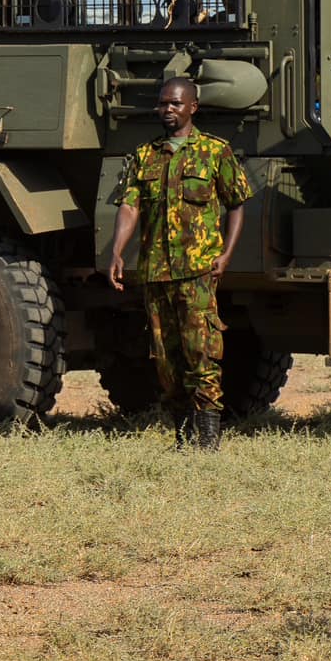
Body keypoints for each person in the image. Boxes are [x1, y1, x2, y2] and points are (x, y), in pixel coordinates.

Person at [105, 77, 252, 448]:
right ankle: (183, 437)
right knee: (166, 361)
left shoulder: (215, 152)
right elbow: (129, 205)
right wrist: (118, 251)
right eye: (162, 104)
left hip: (197, 272)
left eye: (174, 104)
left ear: (192, 107)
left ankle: (208, 440)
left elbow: (237, 204)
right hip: (156, 272)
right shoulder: (145, 155)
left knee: (202, 352)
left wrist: (226, 254)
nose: (167, 110)